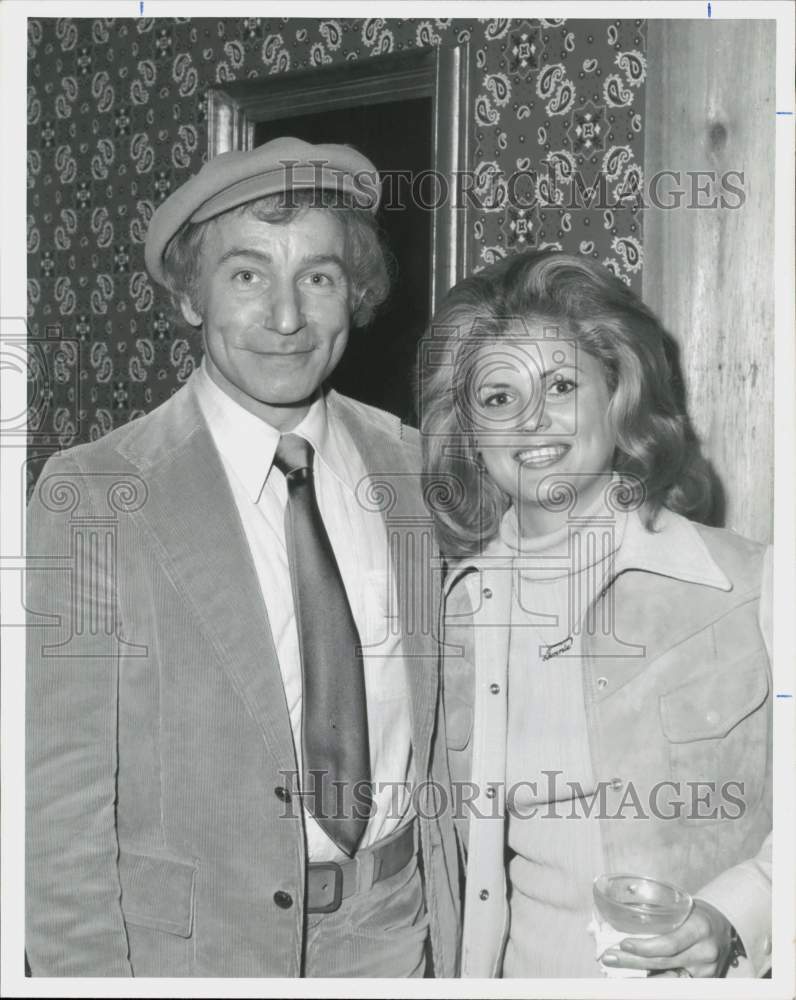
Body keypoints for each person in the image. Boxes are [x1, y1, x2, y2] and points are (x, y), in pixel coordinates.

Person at [25, 137, 460, 977]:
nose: (288, 317)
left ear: (356, 295)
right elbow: (53, 805)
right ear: (192, 296)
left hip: (394, 936)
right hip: (191, 954)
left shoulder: (415, 466)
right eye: (248, 275)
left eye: (320, 277)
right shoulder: (93, 493)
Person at [419, 249, 772, 978]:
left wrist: (738, 913)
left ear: (618, 392)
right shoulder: (453, 612)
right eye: (497, 397)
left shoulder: (753, 585)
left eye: (560, 385)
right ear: (470, 431)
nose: (531, 421)